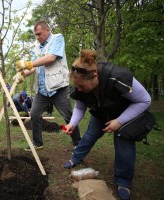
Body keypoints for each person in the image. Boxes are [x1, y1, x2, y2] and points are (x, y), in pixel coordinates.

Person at [62, 50, 151, 200]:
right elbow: (79, 106)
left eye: (82, 86)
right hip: (101, 114)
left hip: (126, 116)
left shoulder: (117, 76)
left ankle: (123, 182)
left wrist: (120, 121)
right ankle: (76, 158)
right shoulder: (81, 84)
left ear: (95, 76)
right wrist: (72, 123)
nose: (79, 90)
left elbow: (144, 100)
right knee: (89, 135)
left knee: (124, 146)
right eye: (77, 86)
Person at [14, 21, 81, 151]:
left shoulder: (57, 38)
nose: (37, 37)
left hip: (59, 88)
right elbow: (32, 68)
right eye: (35, 35)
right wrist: (22, 74)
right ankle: (37, 142)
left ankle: (77, 143)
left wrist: (29, 64)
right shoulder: (36, 48)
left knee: (68, 116)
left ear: (47, 31)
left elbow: (51, 58)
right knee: (34, 114)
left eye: (39, 34)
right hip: (42, 90)